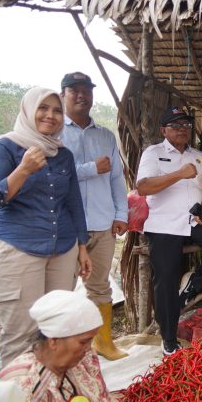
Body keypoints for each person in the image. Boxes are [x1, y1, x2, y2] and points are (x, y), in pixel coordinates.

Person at [0, 87, 92, 366]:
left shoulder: (63, 154)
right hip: (20, 250)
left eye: (57, 110)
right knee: (21, 335)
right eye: (43, 108)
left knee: (58, 329)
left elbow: (74, 204)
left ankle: (52, 399)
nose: (50, 115)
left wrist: (82, 247)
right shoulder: (6, 146)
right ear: (29, 110)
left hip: (63, 249)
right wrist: (24, 169)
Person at [136, 106, 202, 356]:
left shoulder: (198, 155)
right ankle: (168, 337)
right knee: (165, 277)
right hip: (164, 222)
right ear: (164, 130)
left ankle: (191, 287)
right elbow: (143, 187)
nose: (182, 130)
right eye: (175, 126)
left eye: (186, 126)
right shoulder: (153, 154)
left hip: (194, 219)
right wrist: (179, 174)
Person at [59, 72, 129, 361]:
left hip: (102, 222)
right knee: (60, 288)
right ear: (63, 94)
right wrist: (89, 168)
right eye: (74, 90)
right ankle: (61, 349)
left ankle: (103, 343)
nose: (81, 95)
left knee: (99, 285)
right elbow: (52, 175)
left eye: (86, 90)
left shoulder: (105, 135)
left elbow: (116, 178)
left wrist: (121, 213)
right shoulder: (53, 133)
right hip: (64, 225)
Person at [0, 290, 137, 402]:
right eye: (83, 341)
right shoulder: (22, 388)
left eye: (91, 340)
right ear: (53, 341)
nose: (89, 348)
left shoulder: (82, 360)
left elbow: (97, 397)